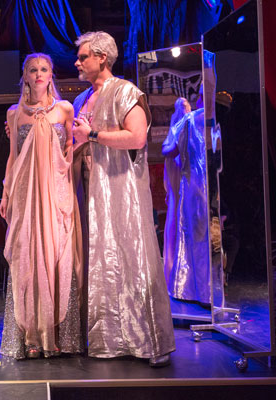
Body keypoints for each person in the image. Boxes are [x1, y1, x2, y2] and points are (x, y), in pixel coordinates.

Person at [71, 31, 175, 367]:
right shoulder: (81, 99)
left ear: (102, 57)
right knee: (100, 260)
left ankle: (149, 341)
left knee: (132, 255)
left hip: (121, 189)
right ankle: (108, 340)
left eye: (83, 56)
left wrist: (94, 135)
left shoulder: (126, 91)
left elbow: (136, 138)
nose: (77, 61)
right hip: (89, 190)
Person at [0, 53, 83, 359]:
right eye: (32, 70)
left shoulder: (64, 109)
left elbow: (70, 147)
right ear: (25, 75)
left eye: (43, 69)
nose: (38, 74)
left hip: (56, 191)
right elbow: (12, 155)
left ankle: (56, 334)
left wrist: (65, 182)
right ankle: (32, 337)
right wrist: (7, 192)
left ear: (51, 75)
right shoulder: (14, 113)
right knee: (28, 259)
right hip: (25, 193)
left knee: (55, 255)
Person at [162, 96, 211, 304]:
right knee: (202, 233)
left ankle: (196, 289)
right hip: (202, 181)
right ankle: (208, 290)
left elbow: (168, 149)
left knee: (194, 234)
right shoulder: (195, 119)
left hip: (193, 182)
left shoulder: (189, 120)